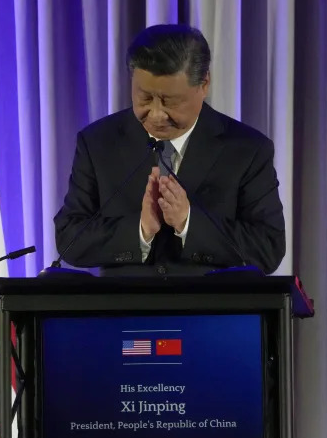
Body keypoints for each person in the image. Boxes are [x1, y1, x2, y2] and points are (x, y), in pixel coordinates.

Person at [54, 23, 286, 275]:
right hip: (123, 311)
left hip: (211, 312)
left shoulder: (247, 149)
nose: (156, 114)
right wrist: (140, 229)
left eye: (169, 102)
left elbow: (268, 247)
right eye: (144, 98)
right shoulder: (98, 142)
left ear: (204, 84)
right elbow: (69, 237)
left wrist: (189, 222)